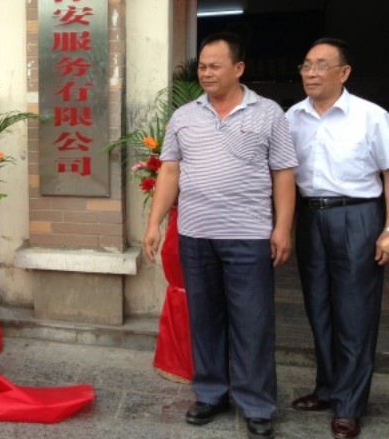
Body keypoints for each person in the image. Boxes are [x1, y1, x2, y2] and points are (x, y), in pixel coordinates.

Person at [143, 32, 297, 439]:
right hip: (195, 235)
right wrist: (155, 223)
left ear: (238, 68)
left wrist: (282, 227)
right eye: (202, 66)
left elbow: (283, 173)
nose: (206, 73)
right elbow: (169, 171)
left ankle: (257, 404)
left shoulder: (268, 113)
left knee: (253, 322)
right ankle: (211, 394)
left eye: (215, 66)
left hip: (248, 236)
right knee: (205, 319)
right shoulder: (184, 115)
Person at [286, 38, 389, 439]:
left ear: (343, 73)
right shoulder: (292, 117)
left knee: (355, 314)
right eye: (306, 65)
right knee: (320, 309)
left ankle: (349, 404)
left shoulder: (371, 116)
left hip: (358, 216)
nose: (310, 73)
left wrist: (388, 230)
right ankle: (327, 388)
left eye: (320, 65)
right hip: (311, 217)